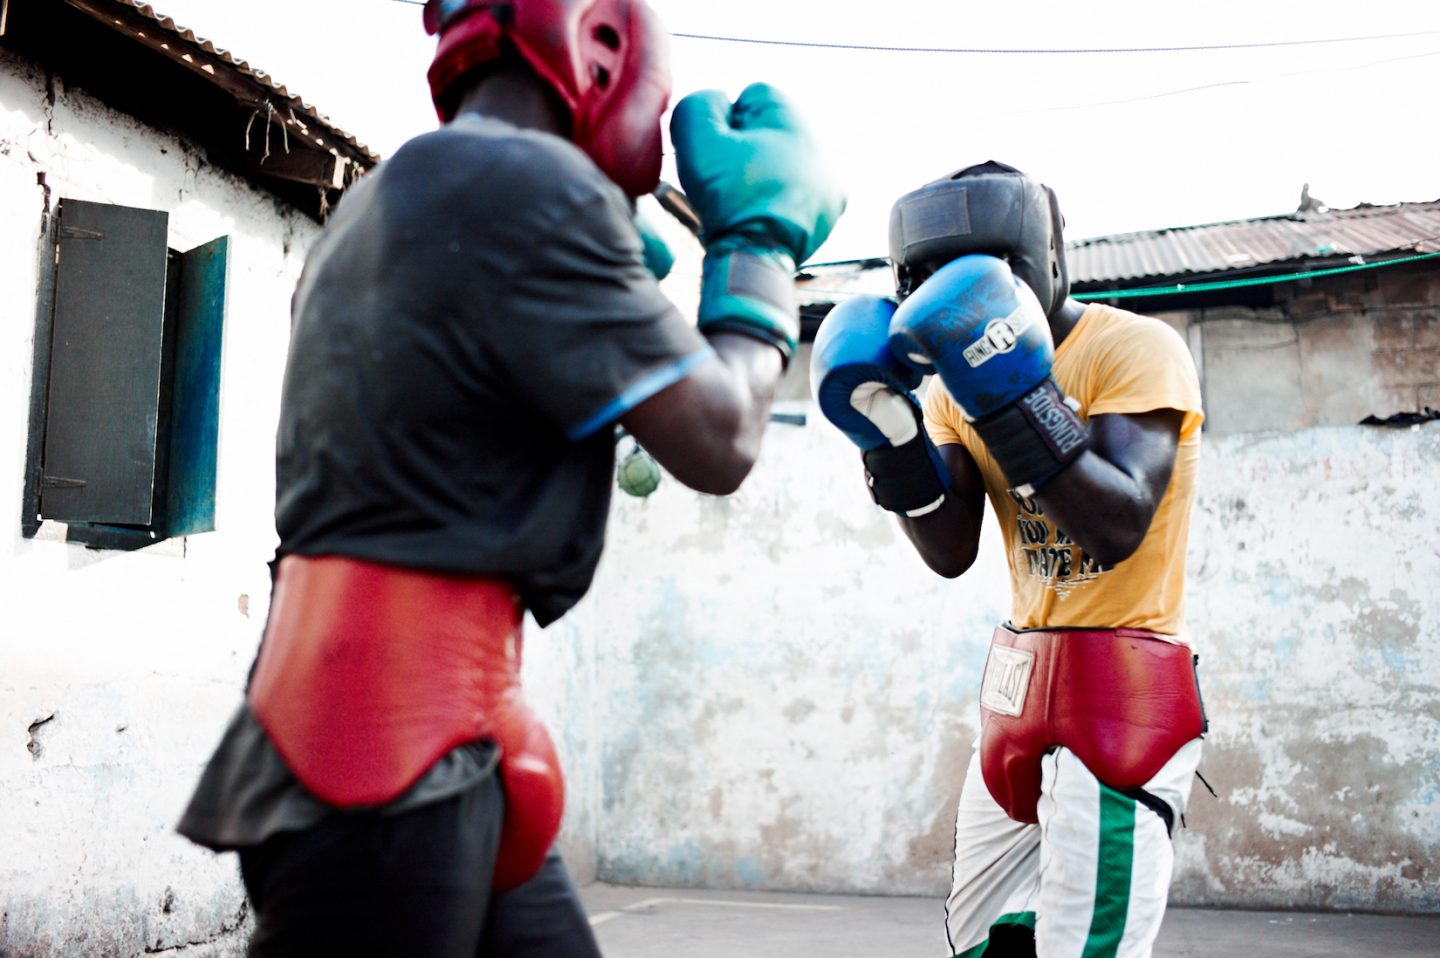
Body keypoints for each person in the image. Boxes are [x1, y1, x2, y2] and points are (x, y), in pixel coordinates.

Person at [176, 0, 844, 953]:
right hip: (388, 742)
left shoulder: (390, 194)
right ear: (601, 45)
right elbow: (723, 438)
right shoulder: (524, 188)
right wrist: (763, 250)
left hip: (424, 716)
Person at [811, 161, 1206, 958]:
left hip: (1119, 691)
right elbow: (950, 549)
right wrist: (894, 440)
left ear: (1041, 259)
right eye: (922, 277)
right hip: (1018, 683)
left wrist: (1014, 395)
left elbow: (1117, 522)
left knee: (1084, 946)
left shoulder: (1135, 349)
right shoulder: (952, 389)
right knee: (982, 939)